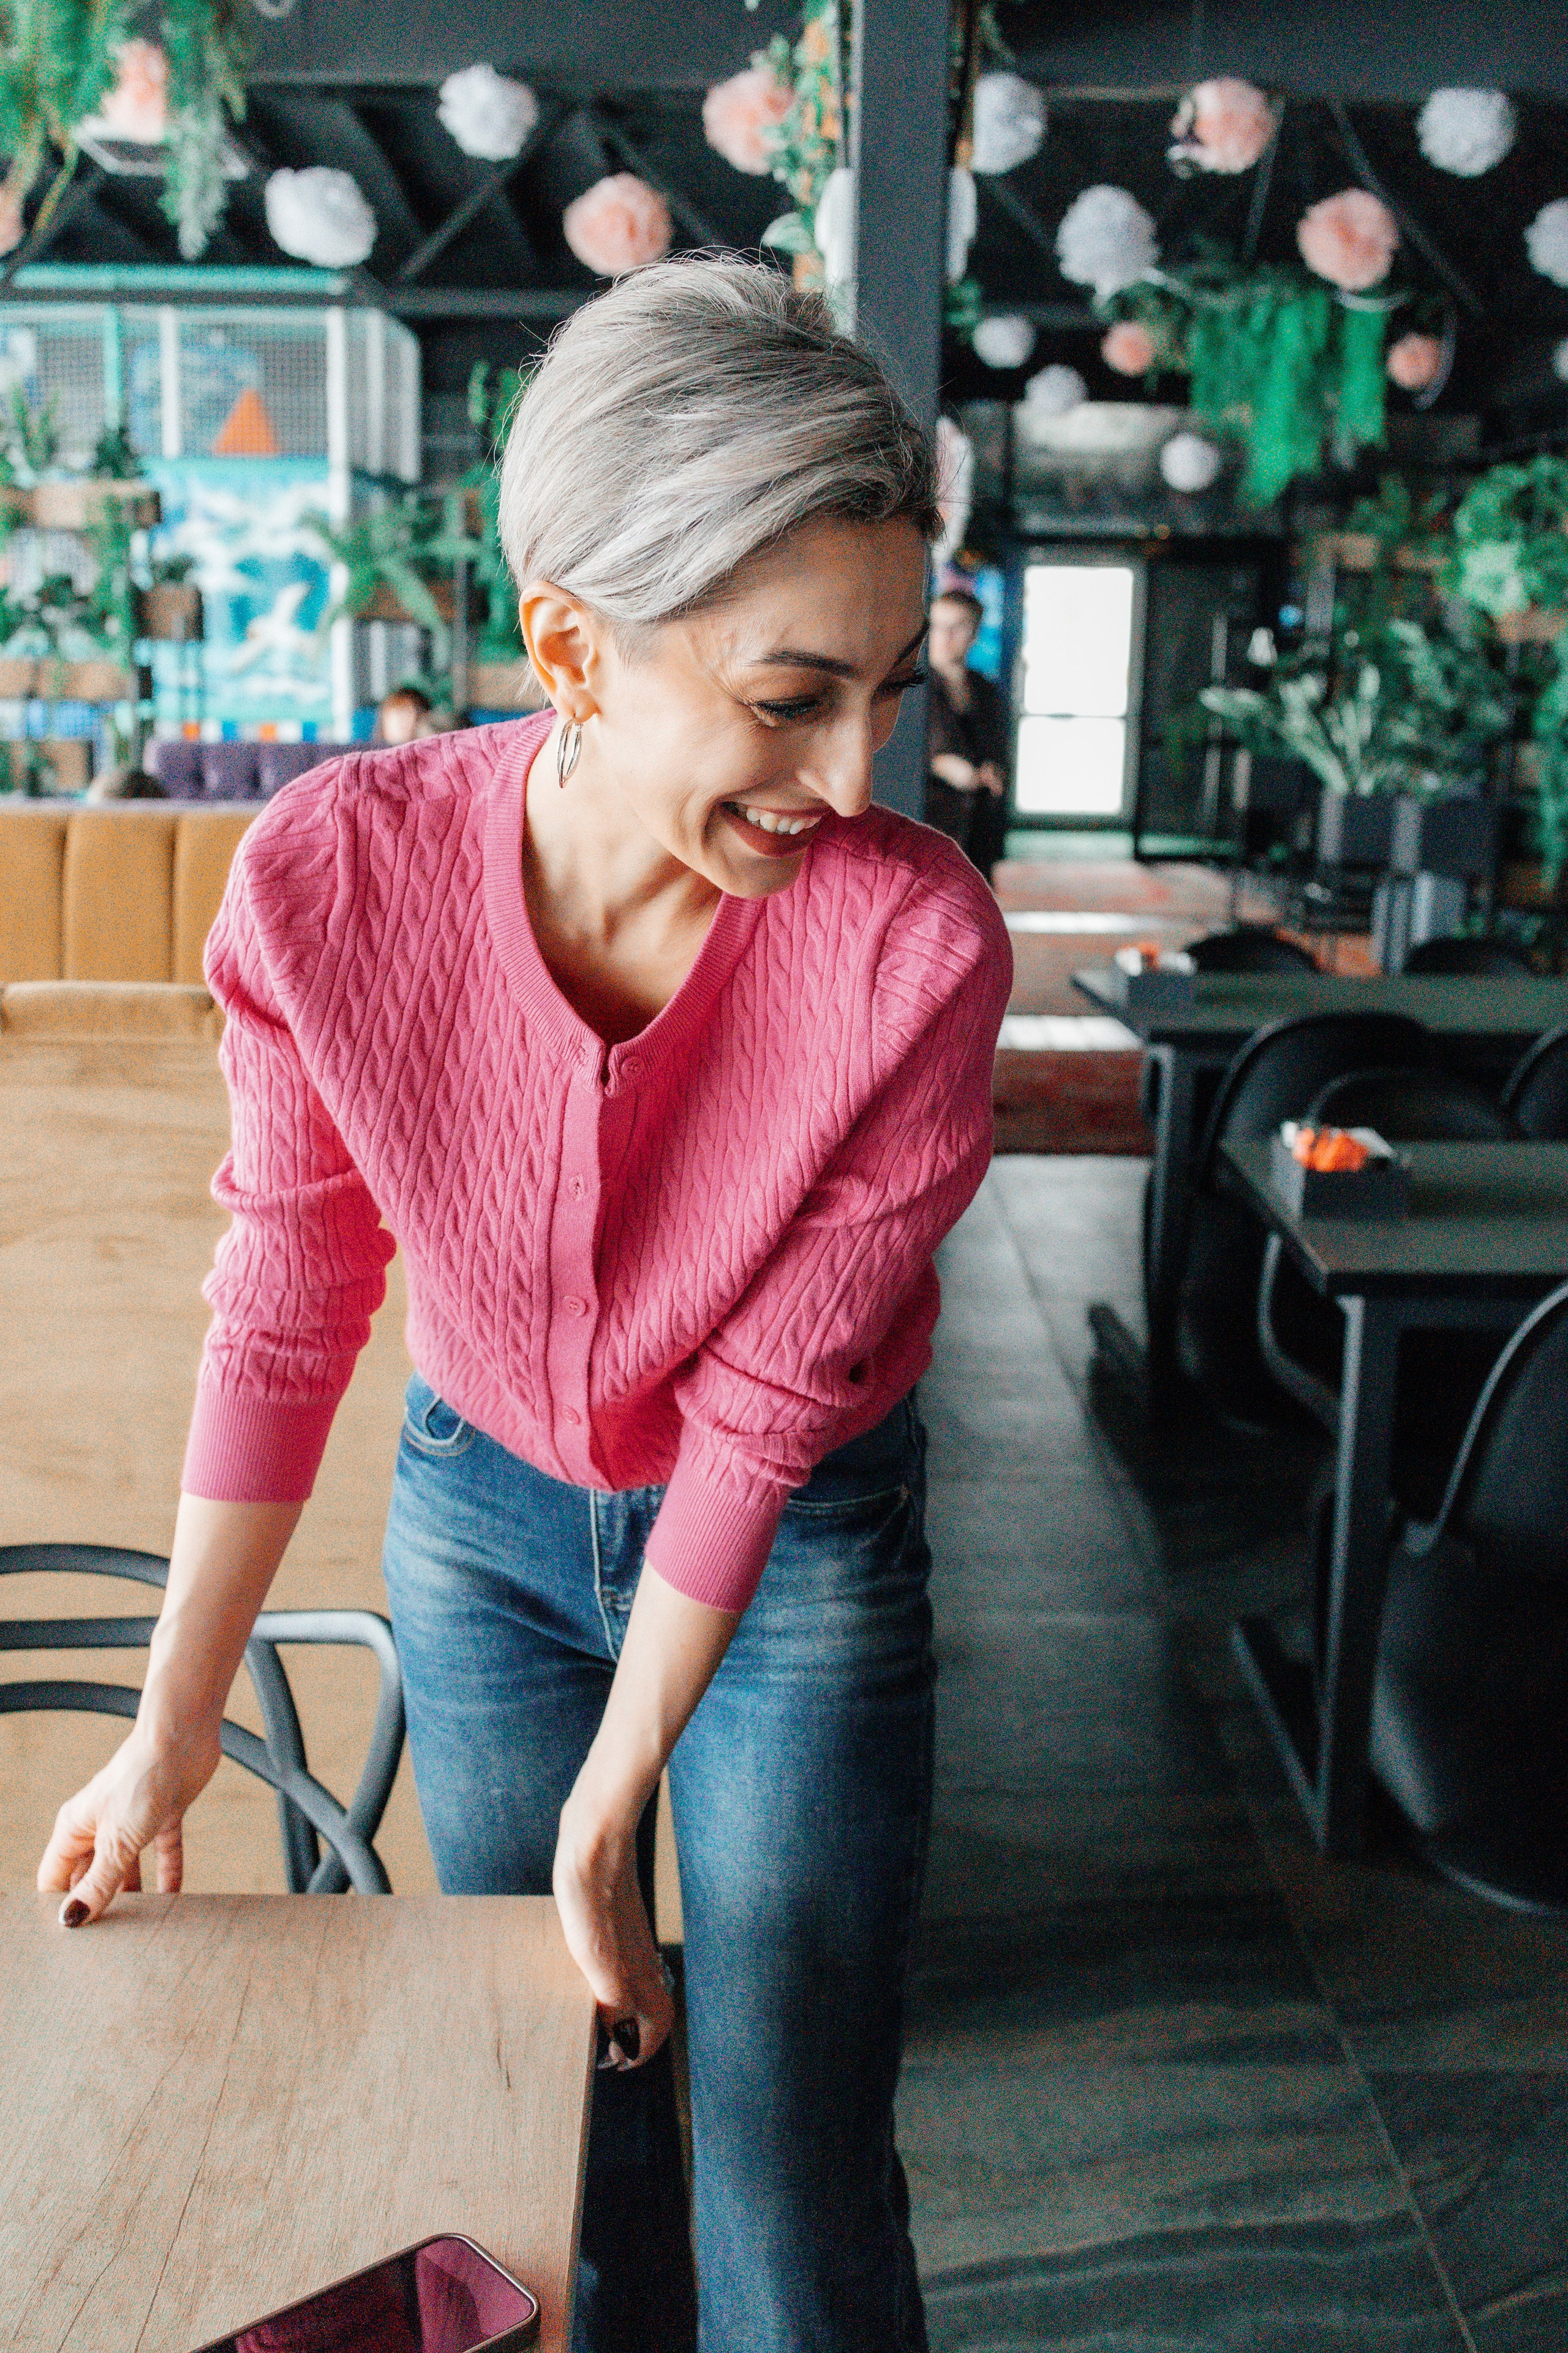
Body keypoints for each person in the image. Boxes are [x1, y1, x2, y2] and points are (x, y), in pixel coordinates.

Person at [37, 261, 1011, 2353]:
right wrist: (169, 1729)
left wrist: (606, 1805)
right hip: (482, 1523)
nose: (853, 776)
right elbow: (290, 1292)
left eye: (884, 692)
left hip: (798, 1539)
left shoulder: (911, 949)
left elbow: (767, 1405)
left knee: (784, 2158)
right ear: (571, 644)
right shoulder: (328, 881)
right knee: (553, 2116)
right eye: (785, 697)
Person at [923, 585, 1010, 884]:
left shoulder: (985, 690)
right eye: (937, 626)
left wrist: (991, 771)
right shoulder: (912, 690)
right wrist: (941, 765)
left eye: (958, 627)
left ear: (974, 634)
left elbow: (998, 749)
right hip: (929, 817)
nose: (946, 637)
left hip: (977, 824)